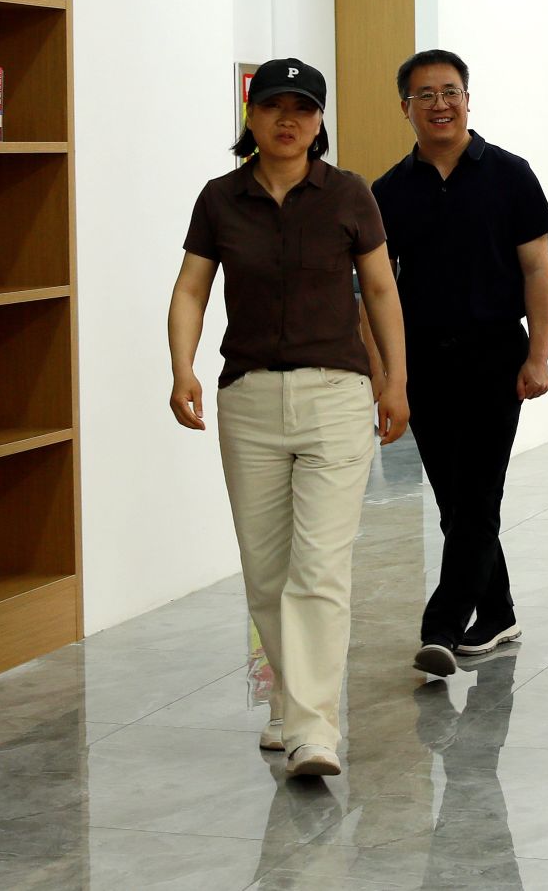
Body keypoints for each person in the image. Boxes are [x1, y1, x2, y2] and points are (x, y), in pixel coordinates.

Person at [167, 57, 409, 781]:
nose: (288, 119)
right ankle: (291, 700)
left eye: (303, 108)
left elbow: (380, 290)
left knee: (319, 566)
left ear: (320, 120)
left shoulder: (349, 194)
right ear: (251, 114)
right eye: (274, 105)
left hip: (336, 394)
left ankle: (312, 728)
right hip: (248, 400)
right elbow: (191, 289)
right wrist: (182, 367)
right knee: (267, 570)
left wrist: (394, 380)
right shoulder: (220, 198)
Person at [370, 49, 548, 679]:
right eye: (425, 95)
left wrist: (539, 354)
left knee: (477, 495)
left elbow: (537, 270)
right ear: (405, 107)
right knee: (455, 501)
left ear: (468, 100)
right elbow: (379, 291)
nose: (440, 104)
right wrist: (387, 376)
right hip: (424, 361)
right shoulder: (388, 191)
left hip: (495, 356)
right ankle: (498, 612)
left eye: (450, 92)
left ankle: (443, 626)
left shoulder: (510, 174)